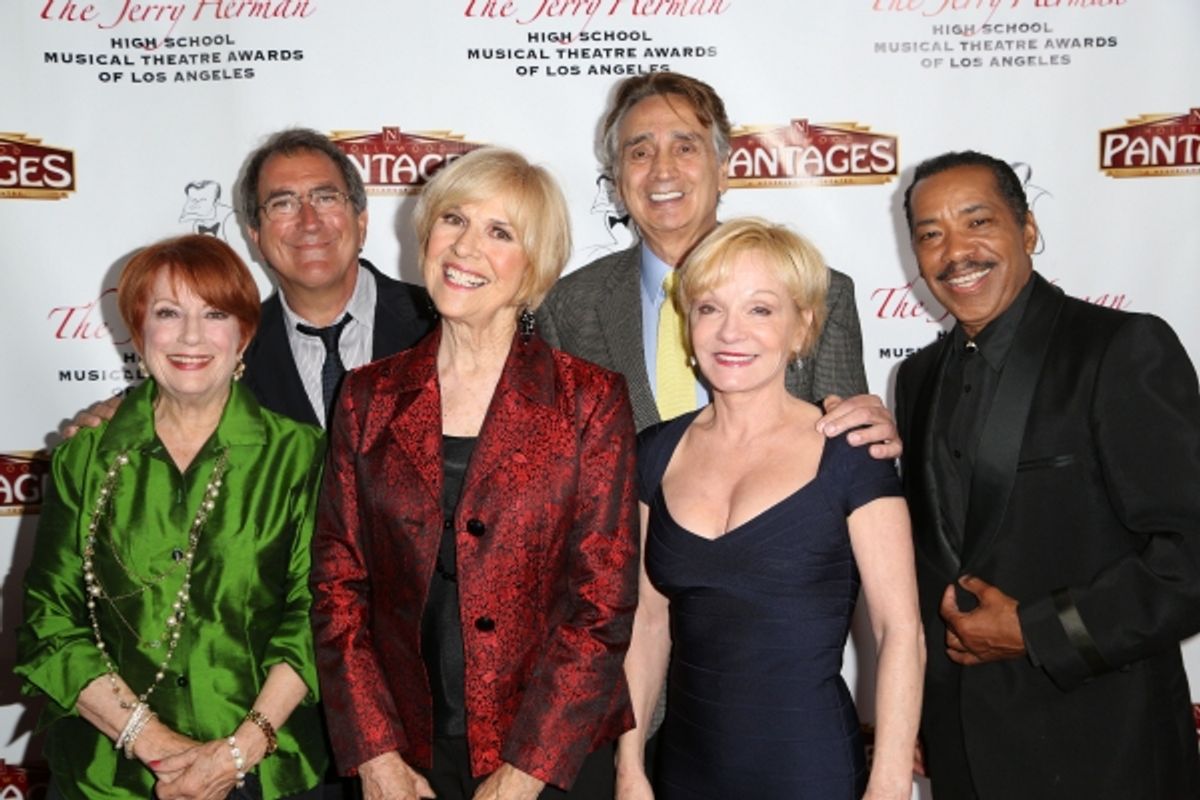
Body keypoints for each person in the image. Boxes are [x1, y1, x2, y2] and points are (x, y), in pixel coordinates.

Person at [309, 147, 639, 800]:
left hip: (553, 760)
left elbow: (600, 608)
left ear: (534, 266)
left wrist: (525, 771)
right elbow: (338, 588)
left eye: (500, 232)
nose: (466, 248)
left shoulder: (588, 400)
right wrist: (374, 753)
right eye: (453, 219)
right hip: (406, 758)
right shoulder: (367, 397)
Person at [895, 150, 1200, 799]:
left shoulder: (1119, 350)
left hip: (1103, 750)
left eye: (978, 222)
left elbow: (1192, 556)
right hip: (963, 754)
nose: (955, 251)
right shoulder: (916, 379)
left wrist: (1039, 630)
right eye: (931, 234)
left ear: (1027, 229)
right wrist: (917, 712)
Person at [616, 218, 923, 799]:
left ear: (802, 326)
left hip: (811, 772)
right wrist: (630, 766)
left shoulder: (853, 453)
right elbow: (648, 623)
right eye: (710, 308)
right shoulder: (654, 452)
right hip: (685, 770)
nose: (731, 332)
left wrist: (888, 782)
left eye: (760, 310)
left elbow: (899, 630)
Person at [17, 235, 328, 800]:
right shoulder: (83, 460)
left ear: (244, 335)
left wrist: (239, 751)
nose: (190, 336)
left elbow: (318, 614)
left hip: (268, 771)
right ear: (139, 332)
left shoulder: (303, 454)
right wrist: (159, 747)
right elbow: (49, 625)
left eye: (214, 314)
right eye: (167, 313)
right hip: (108, 778)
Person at [537, 72, 898, 455]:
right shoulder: (566, 307)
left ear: (723, 169)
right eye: (639, 153)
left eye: (685, 148)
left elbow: (854, 451)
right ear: (617, 181)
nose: (662, 170)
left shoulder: (819, 292)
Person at [66, 127, 435, 434]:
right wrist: (114, 420)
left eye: (325, 197)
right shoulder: (225, 350)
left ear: (361, 220)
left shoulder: (441, 323)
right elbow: (171, 407)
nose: (309, 221)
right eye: (282, 204)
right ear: (255, 236)